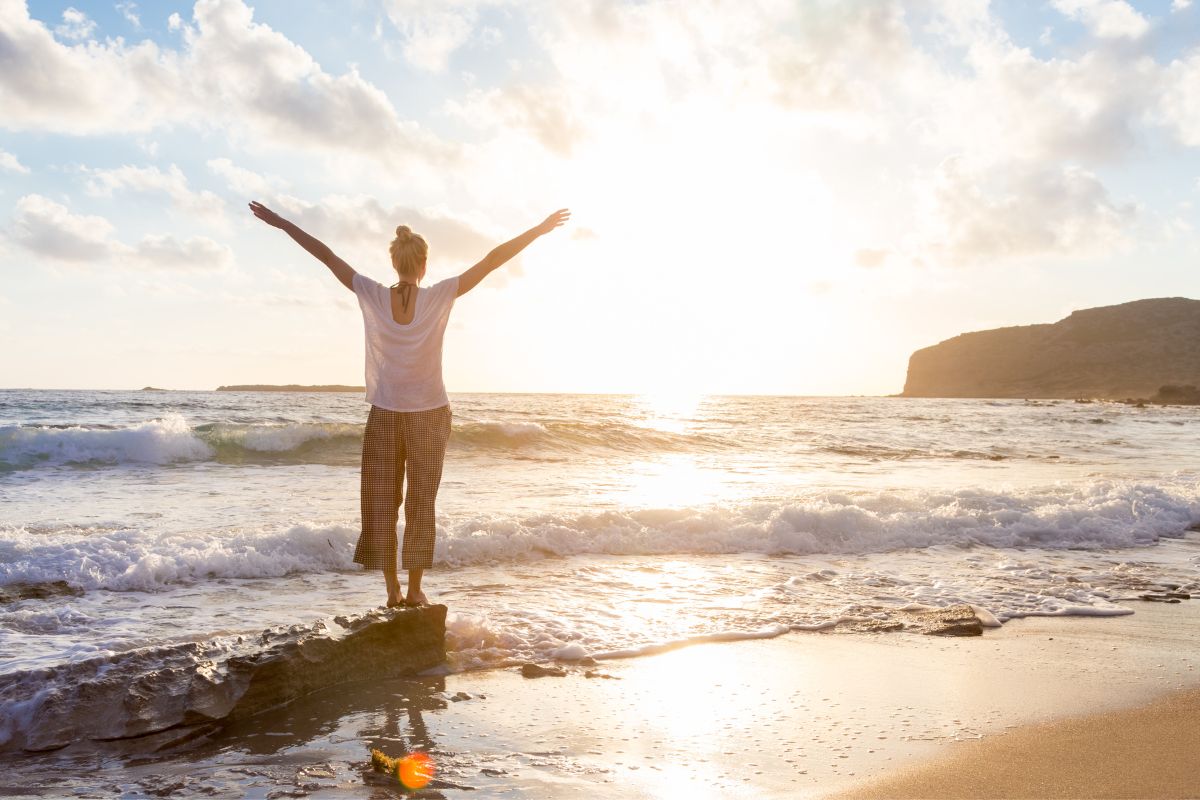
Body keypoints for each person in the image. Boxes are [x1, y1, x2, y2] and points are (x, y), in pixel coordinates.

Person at [249, 200, 570, 607]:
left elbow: (327, 255)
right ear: (422, 265)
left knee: (381, 502)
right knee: (421, 503)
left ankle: (393, 592)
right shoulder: (440, 295)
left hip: (385, 413)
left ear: (395, 262)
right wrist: (538, 229)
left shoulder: (372, 292)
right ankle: (416, 589)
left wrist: (281, 223)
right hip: (430, 413)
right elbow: (491, 260)